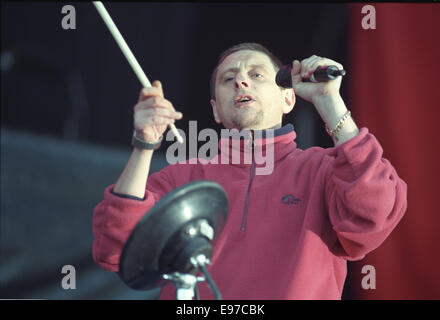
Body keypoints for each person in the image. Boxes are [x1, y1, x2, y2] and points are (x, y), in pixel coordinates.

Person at [92, 43, 407, 299]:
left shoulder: (323, 170)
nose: (241, 81)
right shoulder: (183, 177)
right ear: (215, 109)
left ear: (288, 97)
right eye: (228, 79)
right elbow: (115, 250)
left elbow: (374, 213)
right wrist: (144, 144)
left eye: (256, 75)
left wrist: (330, 102)